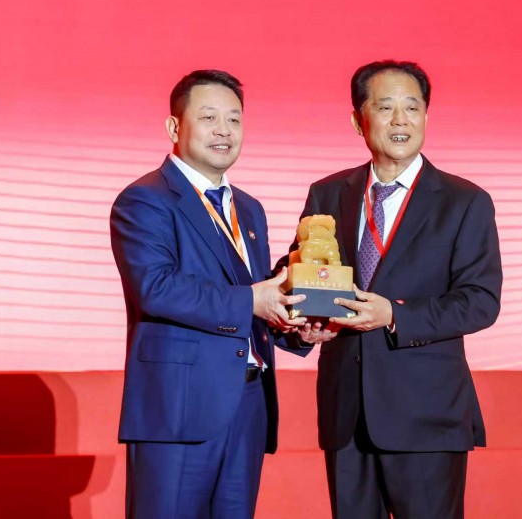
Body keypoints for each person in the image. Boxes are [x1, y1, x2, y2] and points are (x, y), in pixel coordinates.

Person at [280, 60, 502, 518]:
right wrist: (303, 325)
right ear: (358, 120)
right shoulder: (328, 193)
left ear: (426, 116)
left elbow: (480, 301)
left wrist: (396, 315)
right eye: (385, 107)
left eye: (412, 107)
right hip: (346, 414)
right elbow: (300, 270)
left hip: (426, 416)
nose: (400, 120)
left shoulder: (464, 201)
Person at [110, 69, 306, 518]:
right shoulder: (145, 199)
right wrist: (254, 300)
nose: (224, 130)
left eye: (234, 119)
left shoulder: (249, 208)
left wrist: (295, 325)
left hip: (248, 403)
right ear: (174, 127)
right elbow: (156, 288)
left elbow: (254, 294)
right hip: (179, 407)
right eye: (209, 117)